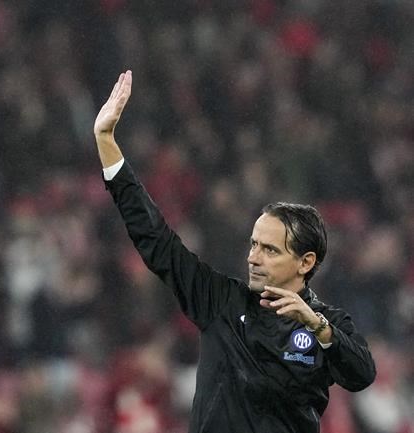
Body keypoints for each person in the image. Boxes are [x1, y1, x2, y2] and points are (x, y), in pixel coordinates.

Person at [93, 70, 376, 433]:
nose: (253, 257)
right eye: (254, 245)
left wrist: (316, 326)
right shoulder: (220, 302)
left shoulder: (326, 323)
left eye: (270, 250)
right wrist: (106, 143)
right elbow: (156, 239)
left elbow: (361, 374)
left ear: (305, 262)